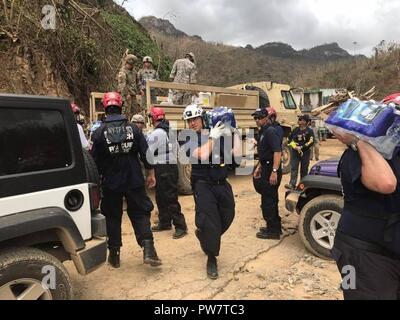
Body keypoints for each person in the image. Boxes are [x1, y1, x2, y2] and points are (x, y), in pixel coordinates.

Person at [91, 92, 161, 269]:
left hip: (111, 183)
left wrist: (98, 184)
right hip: (134, 179)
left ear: (105, 108)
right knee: (139, 213)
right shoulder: (134, 129)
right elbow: (145, 153)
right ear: (121, 106)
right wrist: (151, 173)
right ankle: (148, 250)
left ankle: (114, 255)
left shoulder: (99, 133)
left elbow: (94, 162)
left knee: (113, 217)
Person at [332, 128, 400, 300]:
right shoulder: (358, 153)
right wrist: (358, 140)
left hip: (390, 251)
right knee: (356, 292)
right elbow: (386, 183)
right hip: (358, 252)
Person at [183, 103, 240, 280]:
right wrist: (213, 138)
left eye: (195, 119)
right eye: (189, 120)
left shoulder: (217, 134)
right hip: (203, 185)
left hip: (222, 183)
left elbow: (236, 157)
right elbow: (202, 155)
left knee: (228, 215)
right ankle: (211, 257)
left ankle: (205, 235)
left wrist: (235, 132)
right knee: (210, 222)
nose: (192, 123)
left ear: (203, 118)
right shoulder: (188, 138)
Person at [147, 107, 188, 239]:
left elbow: (148, 151)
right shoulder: (170, 130)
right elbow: (176, 149)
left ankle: (180, 226)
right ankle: (165, 222)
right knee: (162, 196)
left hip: (163, 167)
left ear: (153, 119)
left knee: (169, 197)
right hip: (170, 166)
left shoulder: (156, 133)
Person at [252, 107, 284, 240]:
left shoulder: (270, 131)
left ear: (266, 117)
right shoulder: (263, 131)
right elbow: (265, 153)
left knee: (269, 201)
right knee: (269, 198)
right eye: (255, 118)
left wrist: (274, 172)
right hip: (265, 166)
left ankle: (273, 232)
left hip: (271, 168)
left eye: (259, 118)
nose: (257, 120)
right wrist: (259, 166)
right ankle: (274, 226)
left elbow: (277, 152)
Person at [285, 115, 314, 190]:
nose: (299, 121)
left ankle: (302, 186)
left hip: (305, 152)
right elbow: (289, 138)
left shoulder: (309, 131)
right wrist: (294, 146)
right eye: (299, 119)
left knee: (304, 169)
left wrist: (301, 147)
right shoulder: (295, 129)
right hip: (295, 152)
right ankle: (292, 184)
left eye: (300, 119)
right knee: (294, 168)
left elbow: (311, 141)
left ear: (305, 122)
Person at [117, 54, 140, 120]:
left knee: (134, 112)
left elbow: (137, 81)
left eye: (132, 64)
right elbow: (122, 84)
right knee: (126, 111)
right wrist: (126, 94)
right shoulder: (122, 72)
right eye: (129, 64)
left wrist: (139, 89)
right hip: (125, 95)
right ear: (126, 63)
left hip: (133, 94)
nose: (130, 66)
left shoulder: (134, 72)